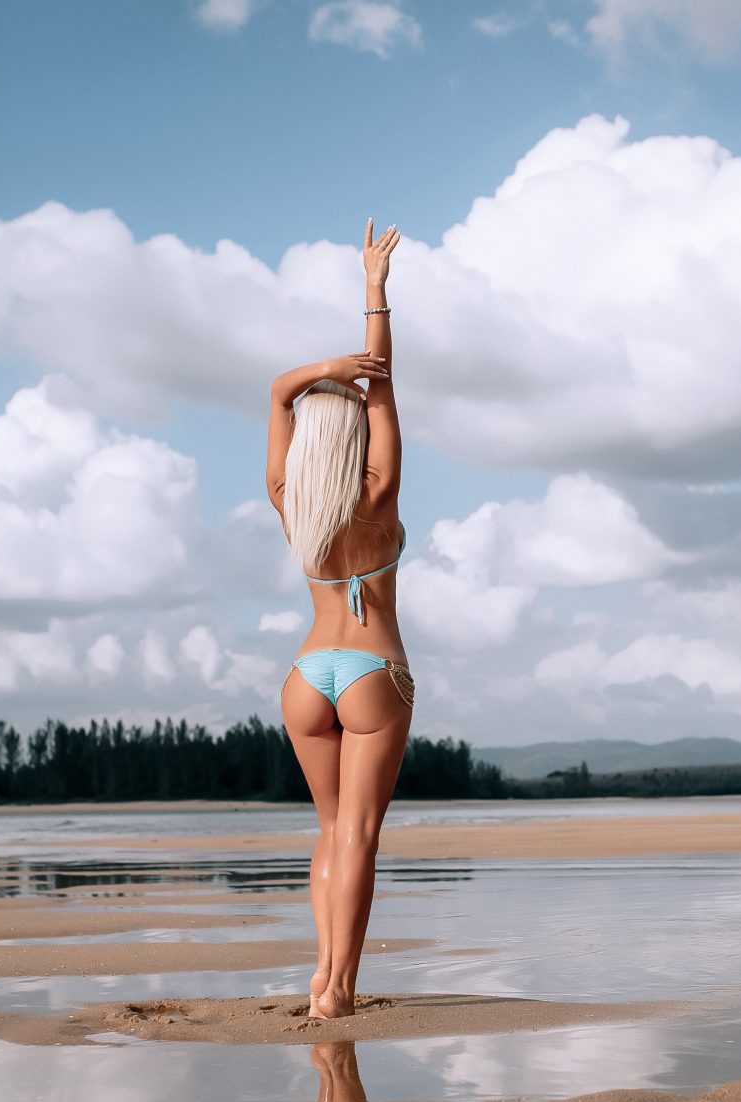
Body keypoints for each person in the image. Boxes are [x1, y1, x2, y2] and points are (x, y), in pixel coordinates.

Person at [267, 219, 410, 1021]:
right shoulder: (378, 496)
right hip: (370, 675)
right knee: (358, 834)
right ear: (352, 435)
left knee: (328, 833)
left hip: (305, 676)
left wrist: (322, 371)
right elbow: (384, 382)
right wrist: (374, 292)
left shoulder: (293, 504)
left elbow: (279, 391)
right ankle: (338, 992)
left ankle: (321, 976)